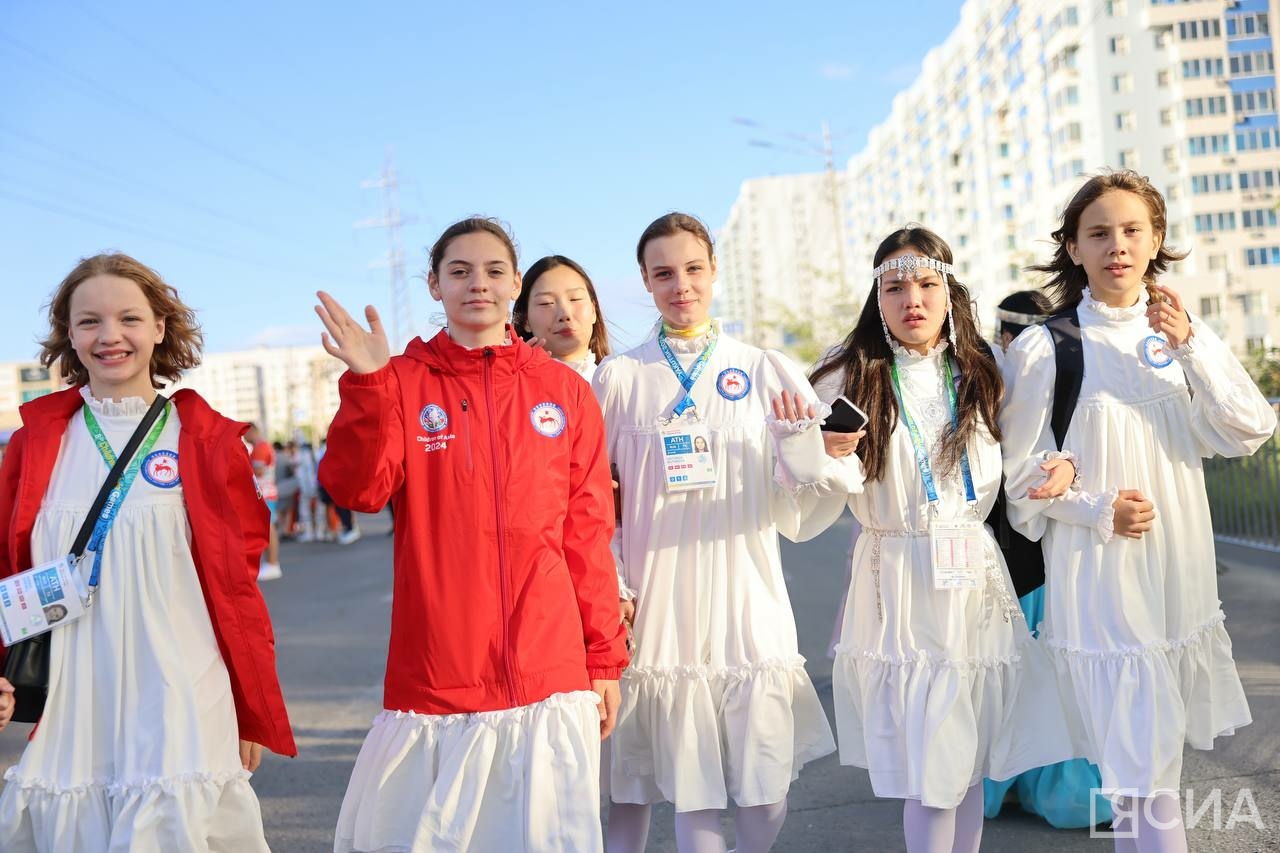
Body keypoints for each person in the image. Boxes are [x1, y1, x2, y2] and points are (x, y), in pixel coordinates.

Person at [317, 216, 628, 853]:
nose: (476, 285)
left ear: (516, 283)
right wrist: (370, 386)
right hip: (438, 671)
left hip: (550, 669)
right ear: (433, 285)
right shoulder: (401, 379)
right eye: (459, 272)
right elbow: (358, 490)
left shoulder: (563, 391)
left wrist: (603, 658)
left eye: (492, 271)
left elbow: (587, 534)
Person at [1001, 170, 1277, 851]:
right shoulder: (1046, 347)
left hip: (1179, 574)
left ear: (1156, 240)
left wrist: (1193, 345)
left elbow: (1248, 428)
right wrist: (1097, 509)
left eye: (1132, 230)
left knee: (1149, 774)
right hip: (1101, 577)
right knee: (1142, 775)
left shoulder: (1183, 339)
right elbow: (1016, 481)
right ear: (1073, 248)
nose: (1116, 245)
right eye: (1098, 232)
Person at [0, 251, 295, 852]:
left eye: (129, 318)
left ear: (160, 328)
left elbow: (235, 590)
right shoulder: (34, 443)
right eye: (89, 322)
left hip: (184, 687)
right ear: (70, 337)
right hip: (76, 690)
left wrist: (246, 703)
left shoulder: (208, 441)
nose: (110, 336)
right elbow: (9, 567)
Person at [595, 212, 858, 853]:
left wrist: (813, 450)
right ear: (646, 282)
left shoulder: (765, 368)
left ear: (714, 271)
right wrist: (616, 581)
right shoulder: (620, 379)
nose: (680, 285)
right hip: (660, 599)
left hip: (746, 591)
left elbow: (806, 491)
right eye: (664, 273)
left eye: (692, 269)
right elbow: (593, 499)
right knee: (694, 789)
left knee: (766, 789)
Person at [809, 227, 1078, 853]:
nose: (913, 301)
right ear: (876, 297)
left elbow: (1022, 461)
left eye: (927, 284)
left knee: (964, 759)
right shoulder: (846, 375)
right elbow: (807, 490)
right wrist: (824, 455)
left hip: (972, 572)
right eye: (895, 287)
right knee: (929, 771)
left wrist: (1063, 469)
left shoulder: (985, 369)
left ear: (949, 291)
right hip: (896, 576)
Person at [981, 289, 1112, 830]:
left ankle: (1001, 784)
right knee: (1052, 672)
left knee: (1014, 670)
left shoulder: (994, 377)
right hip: (1046, 542)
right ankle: (1056, 788)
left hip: (1019, 541)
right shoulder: (1052, 373)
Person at [513, 254, 611, 382]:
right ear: (525, 319)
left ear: (594, 310)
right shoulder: (509, 386)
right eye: (546, 303)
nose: (564, 315)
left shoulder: (620, 380)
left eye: (575, 299)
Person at [244, 423, 282, 580]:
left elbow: (257, 471)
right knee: (267, 527)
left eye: (245, 433)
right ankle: (271, 563)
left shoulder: (260, 448)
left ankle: (273, 564)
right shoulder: (263, 446)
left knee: (268, 527)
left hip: (265, 493)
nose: (244, 438)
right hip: (266, 492)